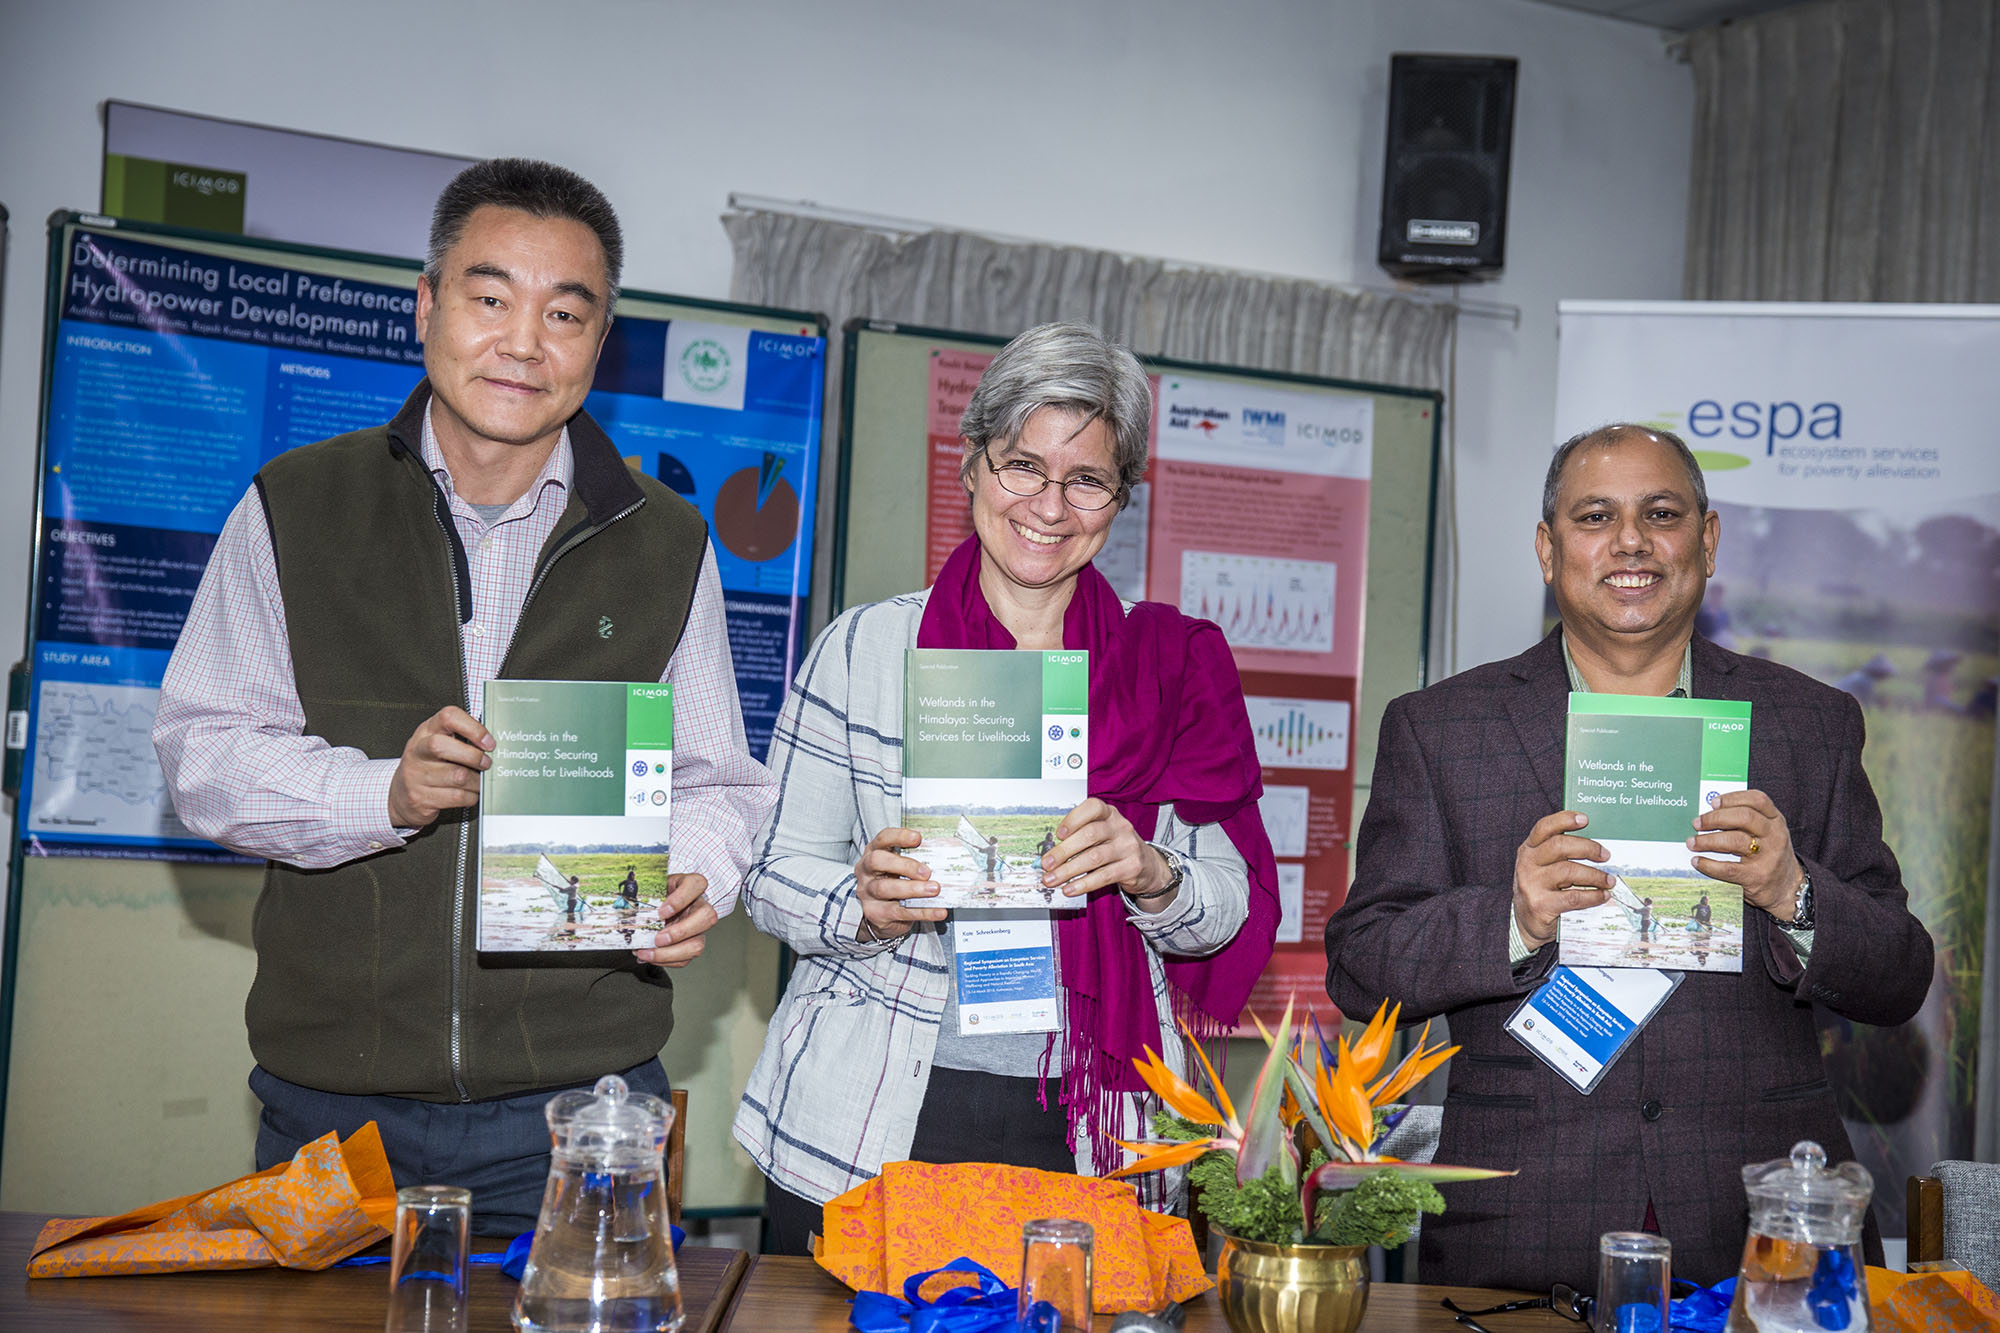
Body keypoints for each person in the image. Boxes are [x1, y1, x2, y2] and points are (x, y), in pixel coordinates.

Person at [154, 158, 777, 1235]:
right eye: (491, 298)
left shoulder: (668, 542)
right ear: (428, 305)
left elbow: (716, 781)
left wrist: (694, 877)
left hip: (578, 1101)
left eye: (564, 313)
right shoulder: (296, 505)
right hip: (331, 1102)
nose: (524, 342)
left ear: (598, 341)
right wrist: (387, 793)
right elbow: (204, 755)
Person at [1324, 424, 1932, 1289]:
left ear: (1707, 541)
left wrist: (1795, 892)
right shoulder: (1440, 727)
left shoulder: (1810, 722)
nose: (1631, 541)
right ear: (1548, 549)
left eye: (1662, 513)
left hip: (1759, 1225)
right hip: (1524, 1217)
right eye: (1596, 516)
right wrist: (1511, 918)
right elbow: (1360, 964)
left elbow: (1900, 974)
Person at [733, 322, 1281, 1254]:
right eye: (1023, 465)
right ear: (973, 465)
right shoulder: (866, 649)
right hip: (869, 1118)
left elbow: (1228, 910)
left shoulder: (1174, 664)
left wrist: (1151, 871)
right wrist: (863, 901)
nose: (1050, 506)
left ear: (1122, 498)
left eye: (1087, 479)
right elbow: (768, 874)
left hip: (1098, 1127)